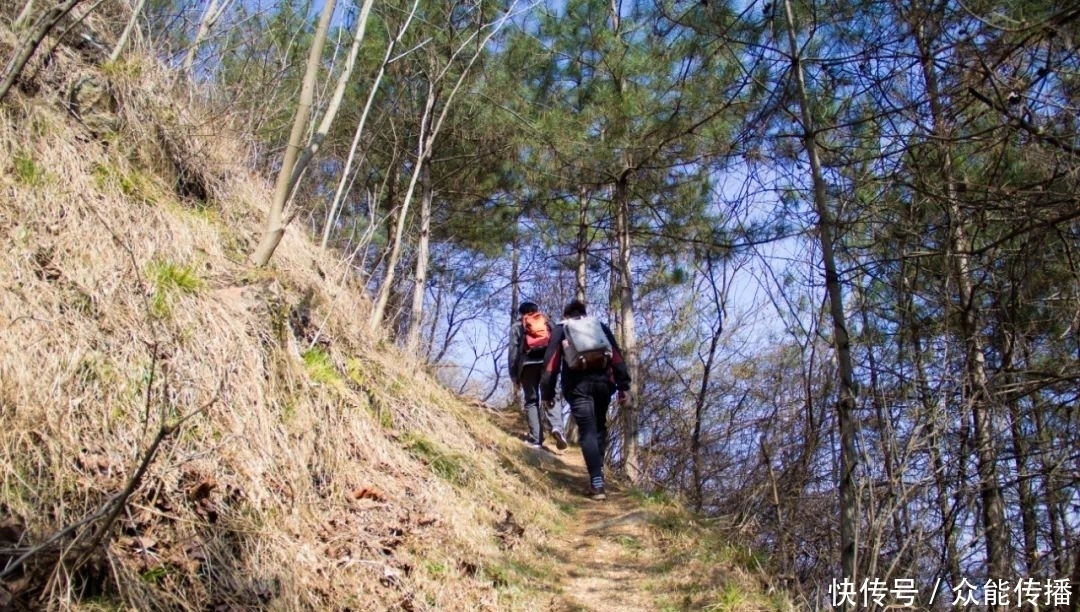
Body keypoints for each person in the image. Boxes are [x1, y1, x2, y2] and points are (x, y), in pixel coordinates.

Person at [540, 299, 631, 501]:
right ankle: (598, 476)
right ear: (583, 312)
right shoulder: (599, 327)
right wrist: (623, 386)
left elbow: (551, 365)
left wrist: (547, 394)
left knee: (587, 431)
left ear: (565, 315)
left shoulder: (561, 329)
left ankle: (597, 483)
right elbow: (616, 357)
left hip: (578, 387)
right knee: (599, 428)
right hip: (603, 385)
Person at [508, 301, 568, 450]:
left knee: (531, 401)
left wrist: (514, 376)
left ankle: (536, 440)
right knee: (551, 395)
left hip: (527, 365)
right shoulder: (547, 322)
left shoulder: (517, 326)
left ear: (521, 313)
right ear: (536, 311)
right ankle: (557, 428)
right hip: (548, 363)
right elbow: (559, 342)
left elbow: (513, 352)